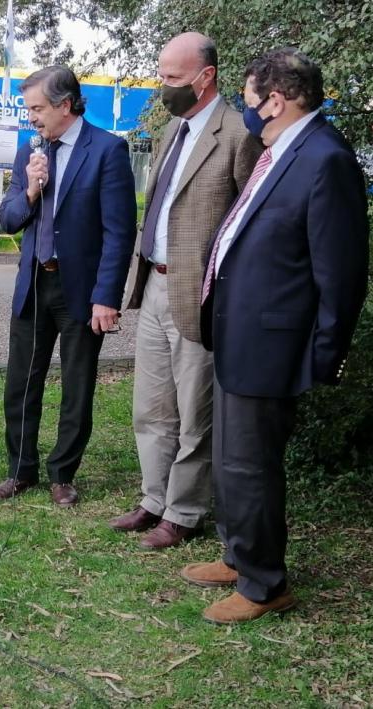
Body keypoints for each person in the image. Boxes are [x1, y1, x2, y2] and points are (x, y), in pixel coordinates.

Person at [181, 48, 369, 623]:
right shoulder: (280, 151)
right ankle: (241, 556)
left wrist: (325, 354)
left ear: (278, 101)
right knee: (233, 459)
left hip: (275, 345)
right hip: (243, 338)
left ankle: (265, 584)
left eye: (250, 100)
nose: (247, 110)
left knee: (251, 464)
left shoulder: (325, 158)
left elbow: (341, 273)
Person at [110, 33, 263, 549]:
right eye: (162, 75)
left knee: (195, 412)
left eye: (173, 78)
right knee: (150, 407)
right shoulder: (173, 129)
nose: (164, 87)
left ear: (206, 77)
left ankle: (184, 511)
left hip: (198, 294)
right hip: (154, 283)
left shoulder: (239, 133)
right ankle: (154, 499)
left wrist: (229, 293)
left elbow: (249, 221)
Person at [0, 65, 136, 508]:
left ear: (65, 105)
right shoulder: (29, 151)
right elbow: (8, 219)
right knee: (20, 384)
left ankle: (62, 474)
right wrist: (31, 189)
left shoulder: (108, 150)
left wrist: (106, 296)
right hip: (34, 284)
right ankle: (20, 471)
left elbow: (118, 232)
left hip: (81, 292)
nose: (31, 117)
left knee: (77, 386)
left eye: (37, 108)